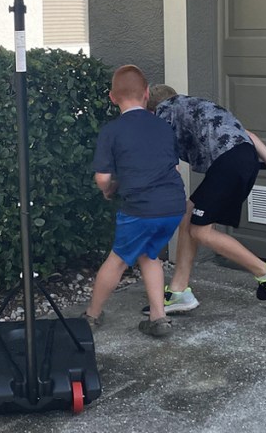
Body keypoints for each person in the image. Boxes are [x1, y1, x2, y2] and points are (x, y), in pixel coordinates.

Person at [145, 85, 266, 315]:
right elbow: (250, 136)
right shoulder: (198, 105)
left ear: (152, 108)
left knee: (201, 231)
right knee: (188, 214)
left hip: (228, 164)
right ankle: (179, 291)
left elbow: (165, 156)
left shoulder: (164, 111)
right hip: (242, 160)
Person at [81, 65, 187, 337]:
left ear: (112, 97)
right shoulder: (163, 126)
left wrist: (109, 189)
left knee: (116, 260)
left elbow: (102, 178)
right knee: (150, 255)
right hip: (174, 204)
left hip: (142, 208)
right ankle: (159, 318)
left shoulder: (112, 131)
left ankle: (91, 317)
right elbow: (172, 168)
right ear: (146, 94)